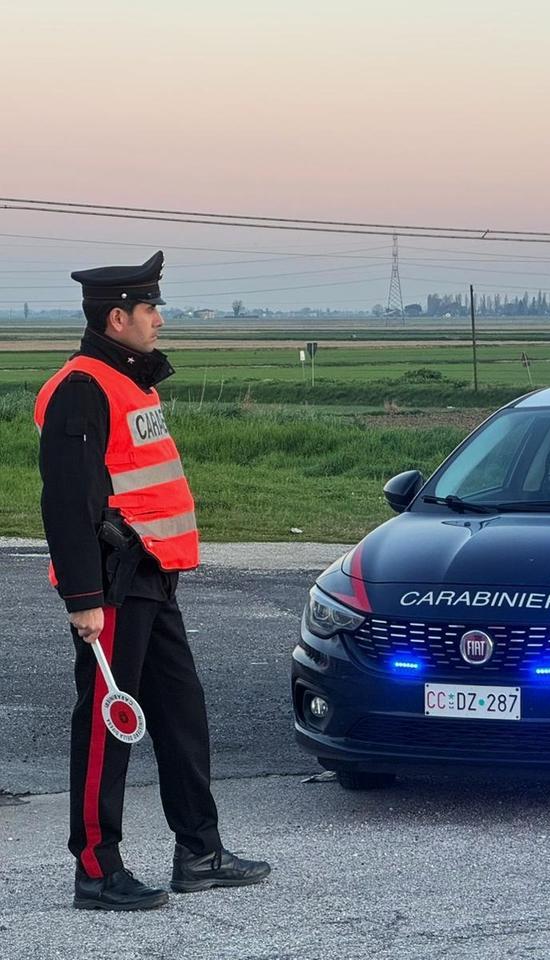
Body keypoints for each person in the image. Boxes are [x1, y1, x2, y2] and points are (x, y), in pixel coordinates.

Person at [35, 251, 270, 909]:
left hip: (154, 580)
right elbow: (68, 502)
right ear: (118, 318)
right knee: (107, 727)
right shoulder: (82, 387)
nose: (159, 320)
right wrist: (82, 599)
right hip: (111, 585)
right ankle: (96, 869)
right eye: (149, 309)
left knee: (182, 714)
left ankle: (200, 850)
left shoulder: (135, 383)